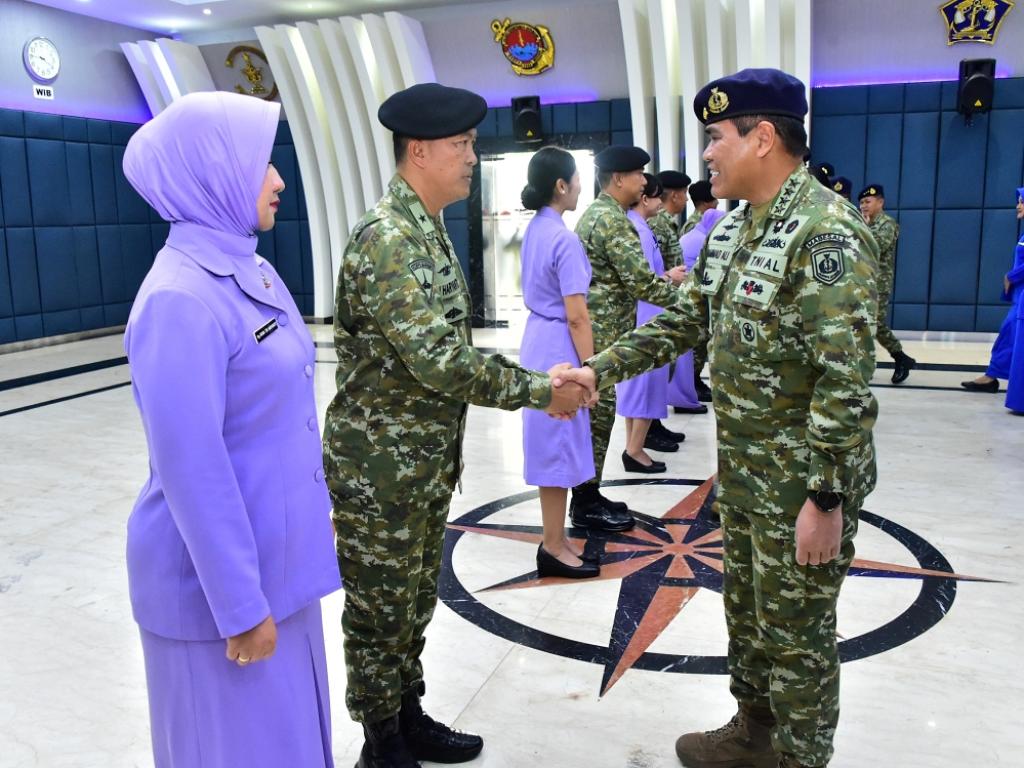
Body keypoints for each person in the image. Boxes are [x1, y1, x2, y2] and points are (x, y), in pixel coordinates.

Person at [556, 68, 879, 768]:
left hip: (801, 481)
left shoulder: (826, 233)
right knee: (751, 616)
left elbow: (846, 379)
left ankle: (798, 759)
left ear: (762, 139)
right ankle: (753, 734)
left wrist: (826, 498)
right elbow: (683, 320)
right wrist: (599, 369)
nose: (706, 153)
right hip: (745, 472)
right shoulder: (735, 230)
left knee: (798, 634)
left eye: (716, 137)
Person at [321, 83, 588, 768]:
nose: (472, 157)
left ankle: (406, 713)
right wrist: (541, 390)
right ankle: (380, 740)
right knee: (380, 608)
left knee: (413, 599)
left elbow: (450, 351)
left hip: (420, 458)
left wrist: (535, 383)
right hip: (380, 467)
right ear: (419, 150)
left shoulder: (426, 228)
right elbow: (441, 362)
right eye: (461, 145)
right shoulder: (389, 239)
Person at [121, 92, 342, 768]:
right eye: (261, 164)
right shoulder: (178, 299)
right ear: (213, 173)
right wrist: (241, 607)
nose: (278, 180)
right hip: (217, 595)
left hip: (280, 567)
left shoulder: (253, 268)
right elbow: (192, 469)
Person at [570, 145, 683, 524]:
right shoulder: (612, 221)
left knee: (597, 416)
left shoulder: (598, 214)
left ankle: (589, 494)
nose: (643, 182)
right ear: (618, 179)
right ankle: (586, 503)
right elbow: (641, 282)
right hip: (602, 334)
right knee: (598, 417)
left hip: (600, 329)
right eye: (637, 175)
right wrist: (691, 302)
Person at [519, 146, 600, 578]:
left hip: (538, 339)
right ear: (561, 185)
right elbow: (577, 315)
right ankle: (552, 546)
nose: (581, 187)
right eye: (577, 179)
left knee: (555, 444)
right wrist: (591, 370)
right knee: (558, 444)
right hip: (559, 348)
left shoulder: (536, 229)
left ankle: (557, 537)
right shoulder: (563, 239)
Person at [617, 173, 673, 473]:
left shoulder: (637, 226)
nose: (661, 203)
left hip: (642, 312)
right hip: (647, 313)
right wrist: (670, 278)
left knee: (637, 384)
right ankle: (635, 449)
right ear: (645, 199)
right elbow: (646, 281)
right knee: (646, 385)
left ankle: (633, 446)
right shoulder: (637, 229)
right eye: (657, 197)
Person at [962, 185, 1024, 413]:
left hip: (1021, 295)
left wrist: (1011, 276)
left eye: (1022, 201)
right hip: (1019, 296)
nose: (1018, 205)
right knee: (1009, 335)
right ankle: (992, 375)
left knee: (1013, 337)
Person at [668, 207, 726, 415]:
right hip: (692, 299)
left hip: (682, 296)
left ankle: (691, 386)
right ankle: (689, 389)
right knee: (695, 346)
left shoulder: (692, 234)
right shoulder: (704, 240)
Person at [859, 184, 916, 383]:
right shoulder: (862, 222)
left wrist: (863, 229)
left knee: (874, 324)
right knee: (866, 324)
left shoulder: (887, 223)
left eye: (868, 201)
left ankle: (897, 358)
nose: (864, 206)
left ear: (880, 202)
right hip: (861, 281)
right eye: (861, 202)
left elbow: (877, 246)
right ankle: (900, 358)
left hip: (879, 283)